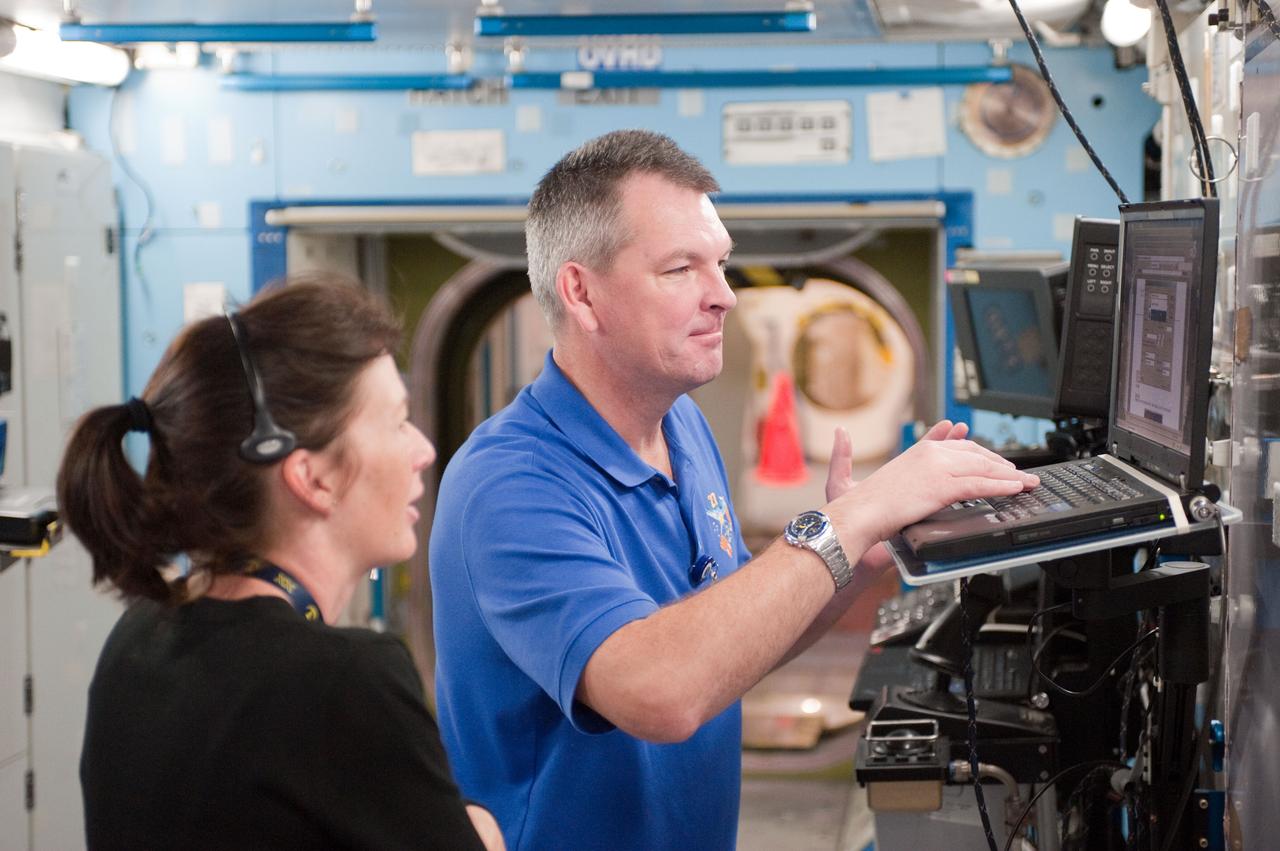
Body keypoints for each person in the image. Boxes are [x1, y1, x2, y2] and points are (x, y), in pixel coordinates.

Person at [429, 130, 1040, 851]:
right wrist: (852, 516)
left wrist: (853, 562)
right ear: (582, 293)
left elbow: (729, 640)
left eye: (720, 263)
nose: (723, 297)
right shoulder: (508, 483)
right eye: (680, 268)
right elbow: (661, 690)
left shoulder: (681, 425)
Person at [57, 277, 504, 851]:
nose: (424, 450)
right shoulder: (343, 683)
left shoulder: (138, 635)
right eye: (396, 422)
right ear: (312, 478)